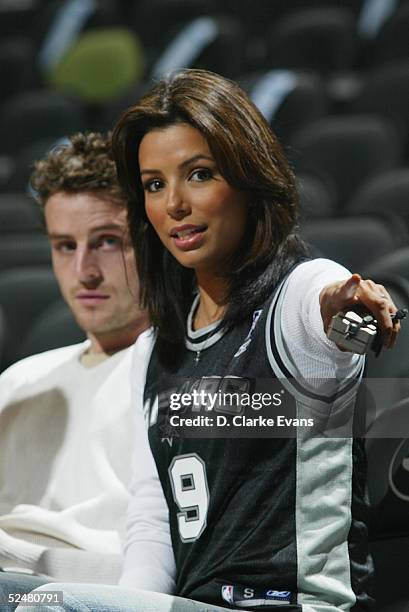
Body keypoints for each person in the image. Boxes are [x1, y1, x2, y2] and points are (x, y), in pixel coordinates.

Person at [18, 70, 400, 612]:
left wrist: (348, 300)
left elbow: (327, 295)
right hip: (191, 605)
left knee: (28, 599)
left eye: (199, 174)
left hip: (295, 604)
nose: (174, 204)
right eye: (154, 184)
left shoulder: (294, 297)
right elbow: (153, 522)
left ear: (248, 178)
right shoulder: (154, 352)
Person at [0, 132, 150, 609]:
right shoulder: (20, 380)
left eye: (107, 242)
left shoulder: (188, 372)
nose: (83, 270)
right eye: (65, 246)